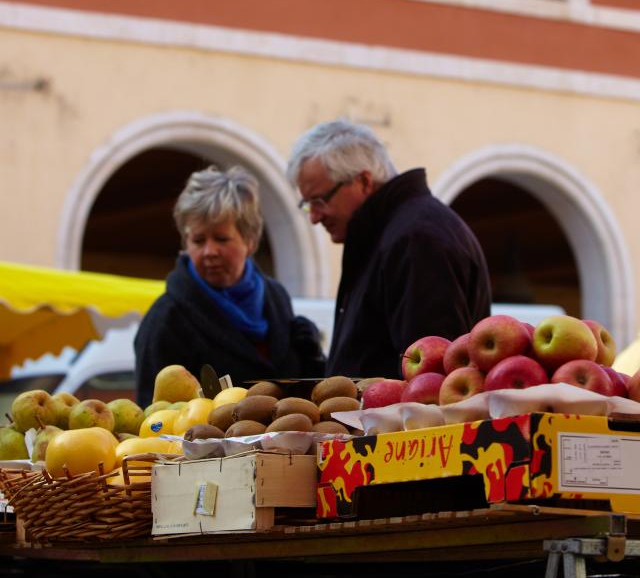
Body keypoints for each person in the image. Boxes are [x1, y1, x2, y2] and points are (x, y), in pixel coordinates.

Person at [287, 120, 491, 378]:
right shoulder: (395, 234)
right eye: (307, 204)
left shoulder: (416, 240)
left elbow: (429, 378)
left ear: (363, 181)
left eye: (319, 201)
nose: (314, 217)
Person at [134, 165, 325, 407]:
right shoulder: (166, 320)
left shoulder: (276, 297)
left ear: (250, 240)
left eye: (221, 239)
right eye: (198, 240)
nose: (209, 251)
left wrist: (312, 358)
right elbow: (154, 419)